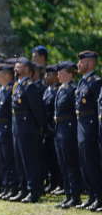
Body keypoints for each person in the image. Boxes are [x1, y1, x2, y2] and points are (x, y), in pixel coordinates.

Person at [10, 58, 46, 203]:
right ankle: (23, 188)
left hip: (28, 129)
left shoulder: (29, 86)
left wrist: (40, 127)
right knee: (20, 160)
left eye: (20, 66)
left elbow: (37, 110)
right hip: (17, 128)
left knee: (29, 161)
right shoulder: (18, 85)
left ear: (27, 69)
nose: (16, 68)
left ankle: (33, 191)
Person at [53, 62, 82, 208]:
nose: (58, 75)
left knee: (71, 163)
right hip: (60, 128)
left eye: (61, 72)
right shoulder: (61, 89)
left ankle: (75, 196)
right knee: (62, 163)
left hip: (69, 128)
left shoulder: (73, 89)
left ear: (70, 74)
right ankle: (68, 194)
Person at [76, 50, 102, 210]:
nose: (78, 64)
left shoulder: (96, 81)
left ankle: (99, 196)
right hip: (81, 125)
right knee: (84, 162)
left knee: (92, 162)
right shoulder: (82, 82)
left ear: (90, 63)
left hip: (91, 125)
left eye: (81, 61)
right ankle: (91, 195)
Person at [0, 64, 16, 200]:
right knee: (2, 160)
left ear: (7, 76)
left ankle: (12, 188)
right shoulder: (1, 90)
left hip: (7, 129)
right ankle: (6, 187)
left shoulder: (11, 90)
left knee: (8, 160)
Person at [41, 64, 62, 194]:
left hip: (55, 128)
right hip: (47, 129)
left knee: (57, 158)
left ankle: (60, 183)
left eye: (49, 74)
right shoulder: (47, 90)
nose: (46, 77)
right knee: (49, 158)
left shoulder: (58, 90)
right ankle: (53, 182)